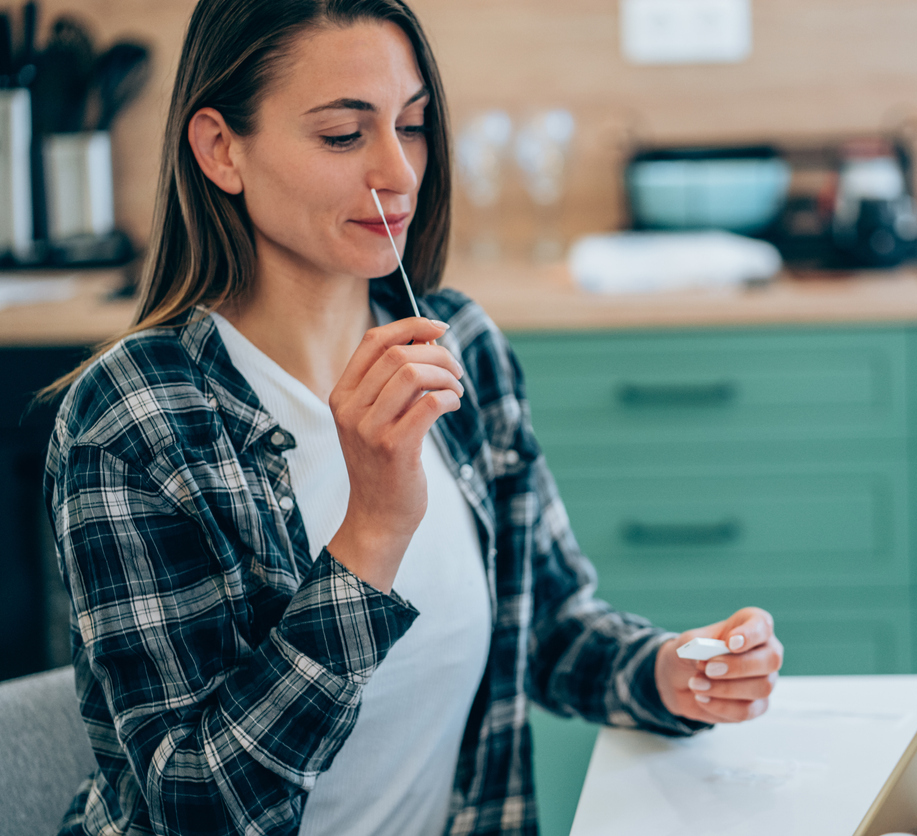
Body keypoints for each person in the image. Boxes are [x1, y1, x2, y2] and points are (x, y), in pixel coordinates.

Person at [43, 1, 784, 834]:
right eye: (342, 136)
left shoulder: (460, 342)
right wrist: (371, 534)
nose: (398, 170)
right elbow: (197, 806)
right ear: (222, 149)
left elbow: (543, 624)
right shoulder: (132, 420)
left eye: (415, 124)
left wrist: (666, 672)